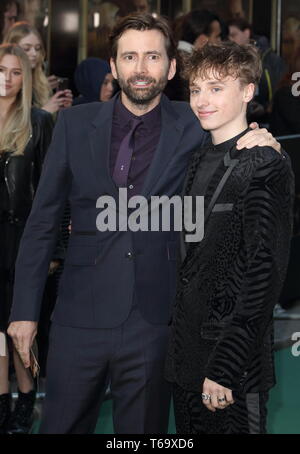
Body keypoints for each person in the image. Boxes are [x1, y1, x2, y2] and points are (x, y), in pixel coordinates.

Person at [7, 13, 281, 435]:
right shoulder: (74, 125)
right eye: (129, 57)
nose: (141, 68)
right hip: (79, 317)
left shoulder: (195, 121)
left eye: (152, 56)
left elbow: (235, 132)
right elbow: (42, 222)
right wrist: (24, 311)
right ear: (113, 67)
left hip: (156, 321)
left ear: (170, 67)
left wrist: (264, 138)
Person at [165, 41, 294, 434]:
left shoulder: (264, 163)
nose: (202, 100)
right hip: (187, 358)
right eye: (196, 89)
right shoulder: (199, 156)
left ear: (248, 91)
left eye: (217, 88)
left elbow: (262, 276)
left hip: (231, 368)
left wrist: (223, 368)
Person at [0, 43, 57, 434]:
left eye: (15, 71)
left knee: (20, 325)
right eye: (0, 69)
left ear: (26, 77)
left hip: (21, 240)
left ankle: (25, 398)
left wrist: (51, 248)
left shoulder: (38, 122)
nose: (6, 78)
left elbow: (52, 191)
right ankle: (3, 403)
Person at [4, 21, 73, 114]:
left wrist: (62, 110)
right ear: (12, 49)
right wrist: (45, 111)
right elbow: (10, 124)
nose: (34, 54)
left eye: (37, 48)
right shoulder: (6, 83)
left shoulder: (40, 84)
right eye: (26, 49)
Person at [228, 18, 287, 123]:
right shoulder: (229, 59)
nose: (230, 39)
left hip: (268, 120)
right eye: (228, 36)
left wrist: (265, 108)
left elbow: (280, 89)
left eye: (233, 35)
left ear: (246, 33)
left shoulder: (270, 59)